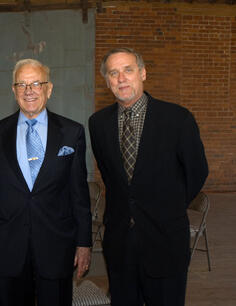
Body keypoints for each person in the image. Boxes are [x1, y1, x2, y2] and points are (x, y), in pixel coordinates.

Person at [89, 47, 208, 306]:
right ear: (107, 81)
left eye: (128, 70)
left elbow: (197, 172)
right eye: (113, 73)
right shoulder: (98, 123)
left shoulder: (177, 118)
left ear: (143, 73)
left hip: (165, 239)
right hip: (120, 244)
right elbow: (111, 176)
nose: (121, 78)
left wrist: (167, 206)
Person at [0, 59, 92, 306]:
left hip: (56, 246)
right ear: (14, 90)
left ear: (49, 89)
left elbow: (79, 193)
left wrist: (84, 243)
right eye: (21, 84)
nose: (28, 90)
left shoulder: (72, 132)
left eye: (36, 83)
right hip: (9, 247)